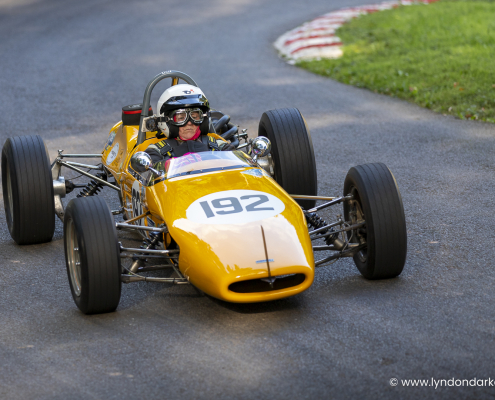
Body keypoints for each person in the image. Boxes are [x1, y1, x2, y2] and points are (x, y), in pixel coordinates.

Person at [145, 84, 233, 164]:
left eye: (195, 117)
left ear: (203, 119)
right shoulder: (156, 151)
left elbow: (236, 163)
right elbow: (148, 170)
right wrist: (172, 164)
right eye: (181, 118)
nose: (189, 123)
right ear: (167, 121)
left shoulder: (218, 145)